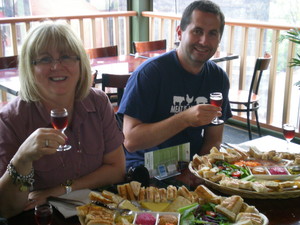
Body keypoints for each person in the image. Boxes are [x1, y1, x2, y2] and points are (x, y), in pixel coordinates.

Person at [0, 21, 126, 218]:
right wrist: (22, 159)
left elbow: (117, 169)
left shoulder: (98, 102)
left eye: (66, 57)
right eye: (44, 59)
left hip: (98, 214)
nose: (57, 66)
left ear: (80, 63)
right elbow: (6, 208)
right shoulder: (11, 120)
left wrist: (60, 189)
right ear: (30, 68)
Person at [118, 0, 232, 170]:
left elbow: (213, 139)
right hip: (146, 169)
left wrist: (199, 171)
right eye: (197, 31)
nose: (204, 41)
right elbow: (131, 141)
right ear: (180, 32)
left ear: (219, 39)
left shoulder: (218, 78)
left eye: (212, 34)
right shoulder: (150, 74)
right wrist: (185, 118)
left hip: (191, 166)